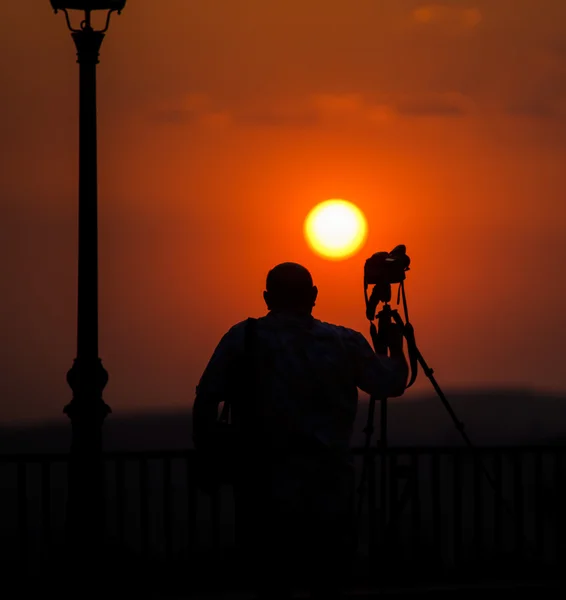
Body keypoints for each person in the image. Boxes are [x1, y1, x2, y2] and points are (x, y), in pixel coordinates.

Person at [192, 262, 408, 599]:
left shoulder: (243, 337)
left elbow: (206, 398)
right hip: (330, 484)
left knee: (268, 582)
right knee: (329, 581)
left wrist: (208, 455)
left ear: (267, 297)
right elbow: (389, 382)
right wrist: (396, 346)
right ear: (313, 295)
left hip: (262, 486)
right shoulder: (343, 342)